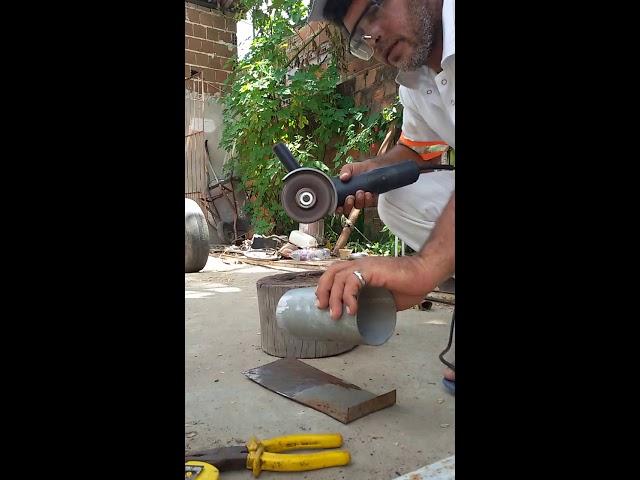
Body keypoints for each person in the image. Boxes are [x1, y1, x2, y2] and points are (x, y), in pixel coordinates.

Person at [306, 0, 456, 393]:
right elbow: (418, 151)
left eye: (373, 10)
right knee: (398, 198)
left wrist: (423, 268)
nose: (373, 38)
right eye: (359, 36)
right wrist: (376, 170)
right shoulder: (417, 77)